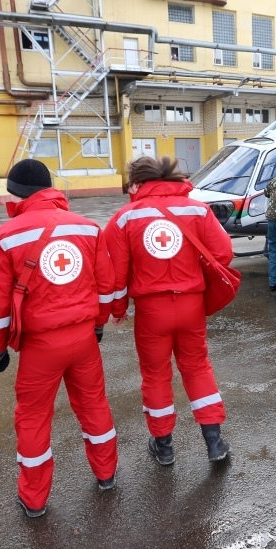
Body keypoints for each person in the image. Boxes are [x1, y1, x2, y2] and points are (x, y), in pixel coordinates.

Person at [0, 160, 119, 518]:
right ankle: (106, 474)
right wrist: (99, 323)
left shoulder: (5, 236)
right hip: (84, 339)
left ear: (15, 194)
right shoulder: (88, 228)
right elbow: (106, 286)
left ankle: (34, 498)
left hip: (40, 348)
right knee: (94, 405)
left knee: (33, 417)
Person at [105, 156, 235, 466]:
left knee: (156, 376)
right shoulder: (197, 208)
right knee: (197, 367)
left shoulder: (125, 218)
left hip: (152, 311)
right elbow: (224, 253)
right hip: (191, 304)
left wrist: (119, 307)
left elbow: (116, 273)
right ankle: (214, 442)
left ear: (137, 183)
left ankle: (163, 447)